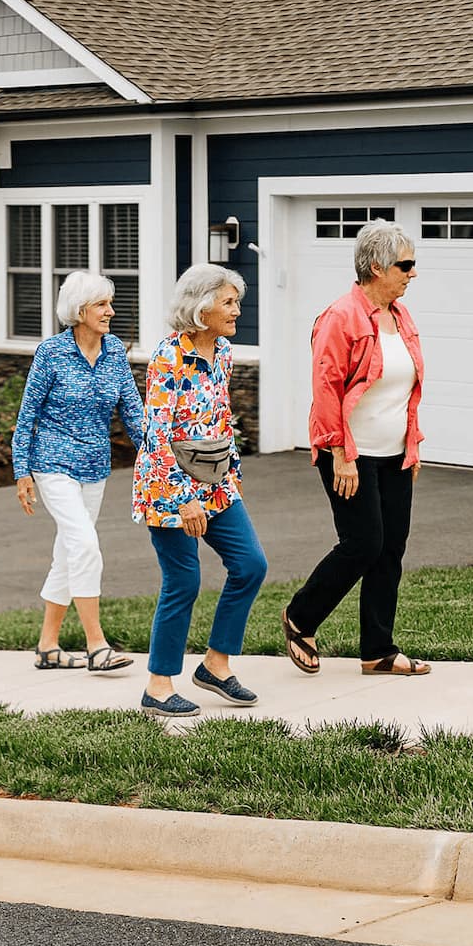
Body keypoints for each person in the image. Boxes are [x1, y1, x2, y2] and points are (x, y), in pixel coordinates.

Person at [283, 220, 431, 677]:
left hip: (394, 455)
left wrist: (413, 446)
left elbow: (404, 388)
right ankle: (300, 618)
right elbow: (326, 389)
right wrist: (340, 455)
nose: (412, 273)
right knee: (363, 543)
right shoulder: (339, 318)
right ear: (375, 267)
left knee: (391, 549)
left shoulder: (400, 317)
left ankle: (378, 651)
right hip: (350, 454)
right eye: (404, 265)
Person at [130, 263, 267, 716]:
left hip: (215, 481)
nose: (237, 311)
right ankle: (158, 685)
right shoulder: (168, 356)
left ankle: (216, 665)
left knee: (250, 565)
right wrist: (183, 497)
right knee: (183, 581)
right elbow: (156, 435)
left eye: (236, 302)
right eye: (228, 303)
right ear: (200, 307)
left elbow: (220, 416)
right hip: (167, 486)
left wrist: (229, 470)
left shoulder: (223, 352)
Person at [11, 272, 144, 675]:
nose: (110, 311)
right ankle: (96, 646)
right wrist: (22, 471)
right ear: (79, 310)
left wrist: (156, 456)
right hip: (52, 463)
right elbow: (27, 415)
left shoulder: (115, 351)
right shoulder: (51, 353)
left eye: (109, 303)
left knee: (68, 553)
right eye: (102, 304)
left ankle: (48, 647)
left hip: (95, 467)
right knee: (85, 544)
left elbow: (133, 411)